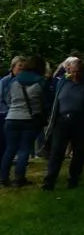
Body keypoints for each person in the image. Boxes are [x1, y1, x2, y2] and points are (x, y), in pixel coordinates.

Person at [42, 56, 84, 190]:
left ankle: (74, 178)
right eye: (73, 71)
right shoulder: (62, 81)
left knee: (78, 151)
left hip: (81, 121)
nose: (75, 74)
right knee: (57, 151)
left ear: (83, 71)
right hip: (62, 121)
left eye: (78, 71)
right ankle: (49, 181)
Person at [2, 57, 47, 187]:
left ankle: (3, 177)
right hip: (29, 119)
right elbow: (45, 102)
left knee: (10, 149)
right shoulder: (40, 82)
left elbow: (7, 99)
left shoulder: (14, 81)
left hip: (11, 118)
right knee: (24, 149)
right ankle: (19, 178)